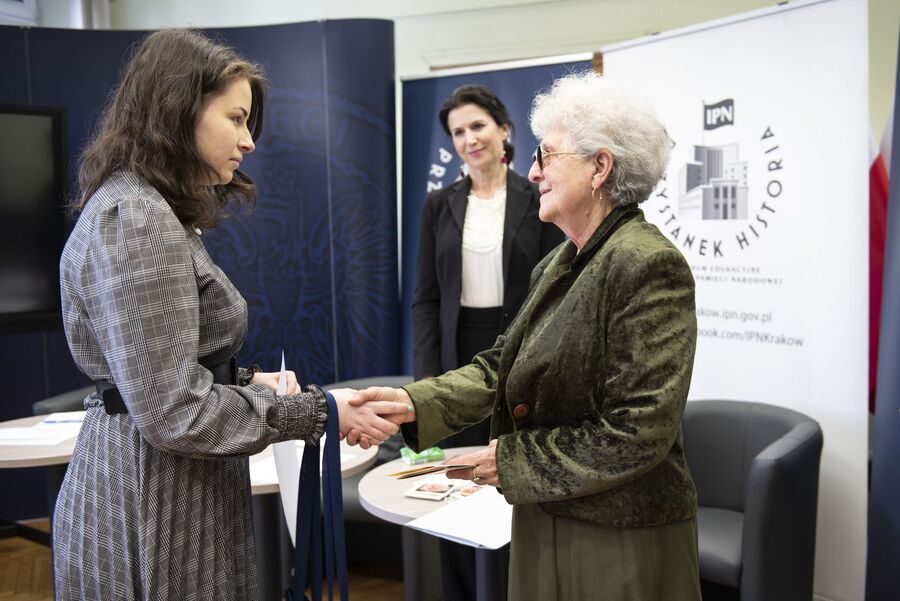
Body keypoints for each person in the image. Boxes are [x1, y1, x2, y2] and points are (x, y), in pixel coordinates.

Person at [53, 29, 408, 600]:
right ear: (178, 110)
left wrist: (244, 382)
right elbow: (173, 413)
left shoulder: (148, 209)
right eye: (236, 119)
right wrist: (313, 411)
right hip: (153, 499)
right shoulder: (139, 219)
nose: (248, 141)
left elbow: (163, 371)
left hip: (173, 486)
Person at [351, 72, 701, 601]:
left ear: (600, 166)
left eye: (546, 154)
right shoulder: (562, 261)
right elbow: (500, 367)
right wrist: (411, 401)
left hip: (619, 536)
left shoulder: (647, 264)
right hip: (548, 520)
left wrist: (508, 461)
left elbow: (638, 431)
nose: (533, 170)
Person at [411, 84, 565, 601]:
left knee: (509, 485)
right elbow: (426, 299)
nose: (468, 138)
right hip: (459, 357)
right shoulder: (438, 205)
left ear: (504, 129)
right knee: (457, 488)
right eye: (458, 132)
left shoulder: (536, 195)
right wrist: (428, 380)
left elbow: (553, 289)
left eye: (477, 125)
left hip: (520, 352)